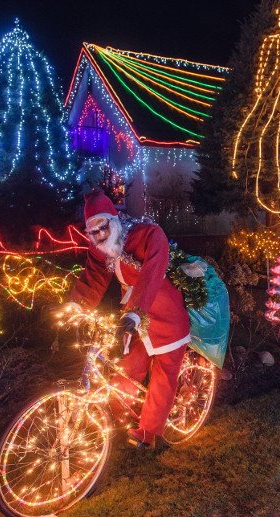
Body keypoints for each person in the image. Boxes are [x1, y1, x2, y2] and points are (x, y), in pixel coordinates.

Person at [66, 190, 190, 448]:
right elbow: (94, 277)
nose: (99, 236)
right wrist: (74, 307)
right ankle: (116, 420)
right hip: (134, 316)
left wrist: (136, 311)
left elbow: (152, 273)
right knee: (129, 367)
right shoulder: (101, 248)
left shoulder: (148, 235)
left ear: (114, 219)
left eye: (102, 228)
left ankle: (149, 432)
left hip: (165, 312)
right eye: (93, 232)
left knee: (165, 372)